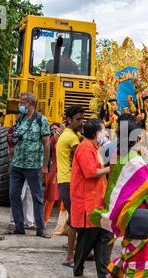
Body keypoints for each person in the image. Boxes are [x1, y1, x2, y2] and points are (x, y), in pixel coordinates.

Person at [91, 115, 148, 278]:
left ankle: (116, 274)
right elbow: (146, 188)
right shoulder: (136, 160)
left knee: (130, 246)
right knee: (140, 252)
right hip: (139, 211)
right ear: (138, 137)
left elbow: (117, 185)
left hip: (124, 210)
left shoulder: (116, 153)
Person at [70, 119, 112, 278]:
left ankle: (103, 275)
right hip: (87, 201)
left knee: (104, 237)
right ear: (96, 133)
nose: (105, 133)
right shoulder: (85, 148)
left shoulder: (95, 148)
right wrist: (111, 168)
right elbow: (90, 173)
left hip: (97, 200)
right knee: (87, 240)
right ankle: (78, 270)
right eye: (103, 131)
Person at [8, 92, 51, 238]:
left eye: (22, 102)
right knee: (14, 195)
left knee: (37, 197)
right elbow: (15, 137)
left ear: (30, 104)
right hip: (17, 164)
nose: (20, 105)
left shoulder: (41, 120)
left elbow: (46, 144)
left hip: (33, 166)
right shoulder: (20, 119)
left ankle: (41, 229)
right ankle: (19, 226)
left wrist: (45, 166)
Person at [56, 105, 84, 267]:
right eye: (78, 119)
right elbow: (81, 158)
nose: (81, 122)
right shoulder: (71, 138)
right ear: (69, 120)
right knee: (75, 219)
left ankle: (77, 249)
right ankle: (69, 257)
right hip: (68, 181)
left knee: (75, 217)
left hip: (65, 181)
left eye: (82, 119)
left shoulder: (72, 134)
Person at [44, 123, 62, 223]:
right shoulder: (52, 140)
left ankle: (61, 223)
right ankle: (44, 220)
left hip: (63, 171)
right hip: (54, 170)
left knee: (63, 198)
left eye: (56, 129)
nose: (55, 130)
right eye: (52, 129)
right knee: (51, 196)